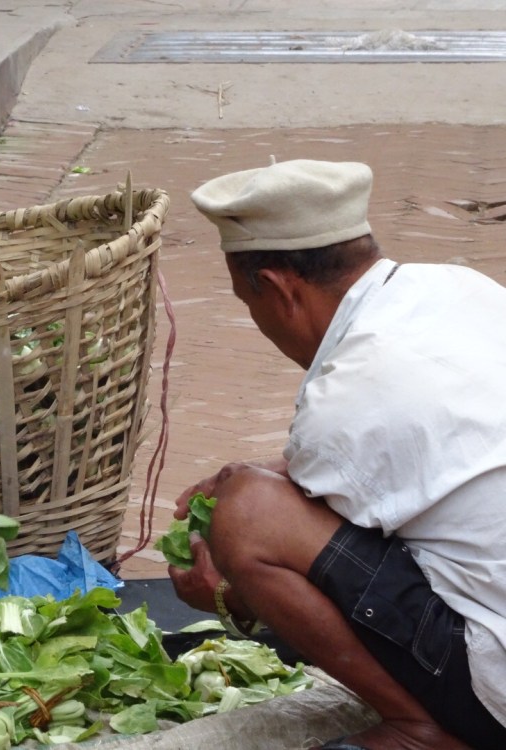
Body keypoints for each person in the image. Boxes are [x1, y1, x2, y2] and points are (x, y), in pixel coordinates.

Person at [168, 158, 506, 750]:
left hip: (495, 688)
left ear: (278, 289)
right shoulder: (461, 288)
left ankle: (418, 726)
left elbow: (291, 537)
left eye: (247, 302)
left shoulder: (343, 401)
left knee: (247, 514)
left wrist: (228, 591)